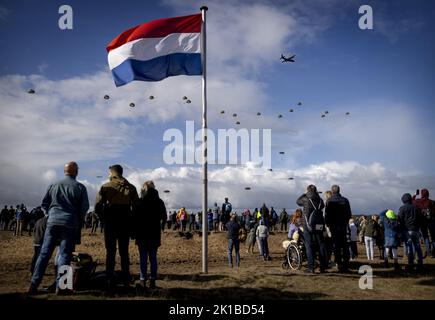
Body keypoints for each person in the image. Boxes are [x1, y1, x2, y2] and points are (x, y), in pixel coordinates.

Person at [28, 162, 89, 295]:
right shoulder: (80, 187)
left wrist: (49, 215)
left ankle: (33, 285)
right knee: (65, 254)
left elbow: (44, 203)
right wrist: (78, 220)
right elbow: (84, 208)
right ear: (76, 172)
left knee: (44, 254)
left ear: (64, 171)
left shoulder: (53, 185)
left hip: (52, 221)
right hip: (69, 222)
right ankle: (61, 287)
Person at [95, 164, 138, 290]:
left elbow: (97, 206)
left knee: (110, 252)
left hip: (111, 222)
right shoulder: (131, 187)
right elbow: (136, 207)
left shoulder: (106, 187)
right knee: (124, 252)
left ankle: (109, 279)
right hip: (125, 222)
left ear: (112, 173)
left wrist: (104, 219)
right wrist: (132, 221)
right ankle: (125, 279)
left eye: (109, 173)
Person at [133, 181, 167, 290]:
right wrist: (161, 226)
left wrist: (133, 232)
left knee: (143, 258)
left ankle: (142, 280)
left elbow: (133, 217)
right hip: (154, 233)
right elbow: (164, 217)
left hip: (141, 233)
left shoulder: (139, 201)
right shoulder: (159, 201)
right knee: (153, 258)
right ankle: (152, 281)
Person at [297, 185, 328, 273]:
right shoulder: (320, 200)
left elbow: (298, 201)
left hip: (308, 225)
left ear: (308, 190)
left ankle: (311, 267)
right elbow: (322, 206)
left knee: (309, 245)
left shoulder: (305, 199)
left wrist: (304, 193)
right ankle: (323, 267)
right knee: (321, 244)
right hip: (319, 224)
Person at [325, 185, 352, 273]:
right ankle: (346, 264)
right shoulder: (345, 200)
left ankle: (339, 263)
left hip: (334, 226)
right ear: (339, 191)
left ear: (332, 191)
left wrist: (328, 224)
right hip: (343, 226)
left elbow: (327, 214)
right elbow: (349, 214)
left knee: (336, 246)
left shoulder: (329, 200)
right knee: (344, 246)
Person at [398, 193, 424, 272]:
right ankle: (420, 264)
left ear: (403, 200)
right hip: (416, 230)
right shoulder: (416, 208)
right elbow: (420, 218)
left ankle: (410, 264)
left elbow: (400, 220)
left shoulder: (402, 208)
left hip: (407, 230)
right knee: (418, 247)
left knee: (409, 247)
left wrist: (401, 229)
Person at [413, 189, 435, 258]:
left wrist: (415, 195)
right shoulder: (432, 202)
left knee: (425, 237)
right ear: (428, 194)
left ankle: (428, 252)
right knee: (434, 237)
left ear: (421, 194)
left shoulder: (417, 202)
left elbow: (410, 201)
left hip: (422, 222)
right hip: (431, 221)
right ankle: (433, 251)